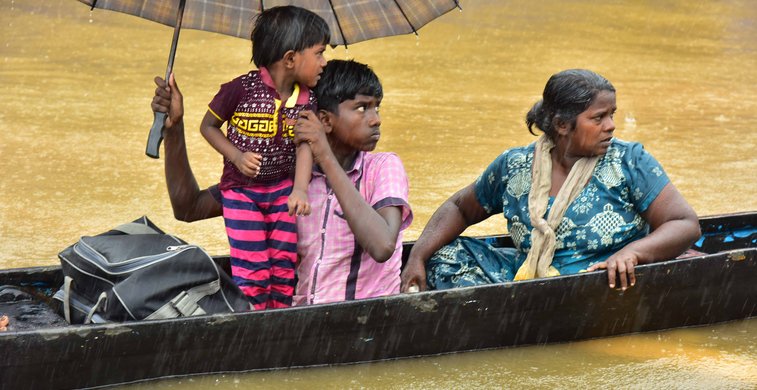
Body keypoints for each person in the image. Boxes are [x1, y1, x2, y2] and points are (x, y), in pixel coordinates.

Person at [400, 69, 701, 293]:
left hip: (601, 281)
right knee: (444, 254)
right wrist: (417, 256)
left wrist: (632, 253)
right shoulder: (515, 165)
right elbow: (460, 208)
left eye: (612, 114)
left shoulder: (629, 161)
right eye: (598, 118)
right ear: (561, 125)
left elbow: (685, 224)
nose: (611, 126)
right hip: (527, 277)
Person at [152, 59, 413, 307]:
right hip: (303, 317)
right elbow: (188, 208)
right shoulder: (286, 175)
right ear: (324, 120)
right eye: (361, 107)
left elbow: (382, 246)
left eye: (376, 106)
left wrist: (322, 151)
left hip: (366, 319)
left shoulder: (383, 167)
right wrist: (174, 128)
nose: (376, 118)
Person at [198, 6, 329, 310]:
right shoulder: (240, 90)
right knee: (253, 269)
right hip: (241, 193)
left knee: (284, 266)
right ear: (290, 59)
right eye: (319, 53)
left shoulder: (308, 98)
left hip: (283, 190)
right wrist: (236, 155)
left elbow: (305, 144)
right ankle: (253, 322)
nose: (324, 62)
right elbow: (208, 126)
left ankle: (280, 319)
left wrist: (299, 189)